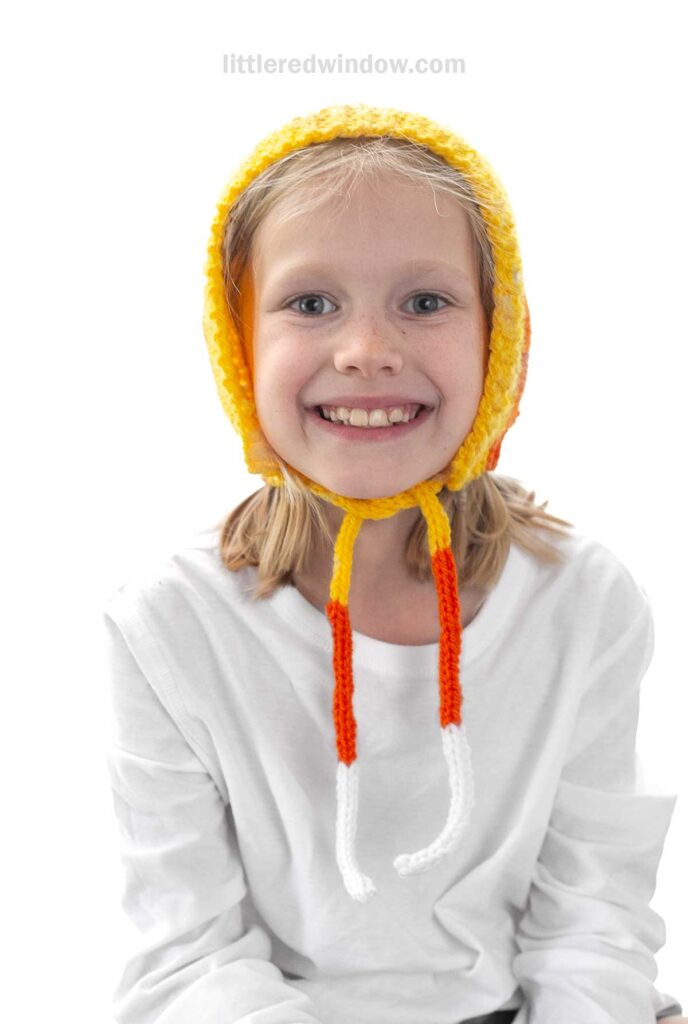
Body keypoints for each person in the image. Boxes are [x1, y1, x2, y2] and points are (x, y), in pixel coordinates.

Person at [102, 104, 685, 1024]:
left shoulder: (587, 601)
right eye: (310, 303)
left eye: (425, 302)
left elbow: (592, 919)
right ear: (237, 344)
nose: (367, 350)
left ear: (499, 340)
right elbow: (192, 955)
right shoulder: (166, 623)